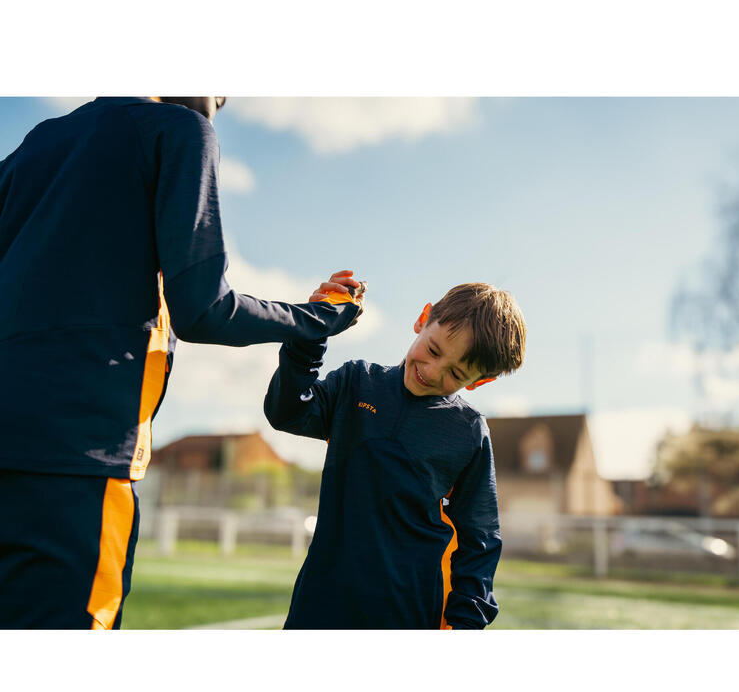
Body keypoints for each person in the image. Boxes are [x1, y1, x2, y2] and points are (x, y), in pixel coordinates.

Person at [0, 96, 361, 629]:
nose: (222, 99)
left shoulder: (35, 143)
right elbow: (205, 310)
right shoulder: (180, 129)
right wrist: (315, 318)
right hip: (79, 458)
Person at [264, 282, 527, 629]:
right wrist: (311, 331)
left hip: (409, 614)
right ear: (423, 319)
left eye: (456, 374)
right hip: (320, 603)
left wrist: (466, 624)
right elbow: (286, 411)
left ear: (480, 382)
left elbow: (479, 541)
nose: (433, 372)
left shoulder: (469, 432)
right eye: (433, 350)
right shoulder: (356, 383)